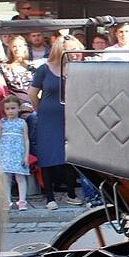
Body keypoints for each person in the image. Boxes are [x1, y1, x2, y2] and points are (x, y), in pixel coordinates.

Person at [28, 35, 85, 210]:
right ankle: (49, 197)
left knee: (68, 154)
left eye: (77, 49)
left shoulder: (77, 69)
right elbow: (32, 93)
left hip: (71, 116)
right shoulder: (44, 69)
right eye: (71, 49)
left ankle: (71, 193)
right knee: (47, 155)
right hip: (48, 116)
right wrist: (40, 110)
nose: (75, 53)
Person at [0, 95, 32, 211]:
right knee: (6, 178)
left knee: (20, 177)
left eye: (13, 108)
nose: (10, 111)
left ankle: (22, 201)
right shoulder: (2, 122)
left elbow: (26, 139)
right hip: (5, 152)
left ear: (18, 108)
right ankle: (7, 201)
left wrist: (26, 156)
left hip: (18, 153)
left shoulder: (22, 123)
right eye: (7, 109)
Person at [0, 35, 35, 113]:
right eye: (14, 46)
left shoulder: (33, 67)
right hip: (14, 106)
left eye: (20, 46)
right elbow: (4, 90)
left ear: (25, 47)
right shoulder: (4, 67)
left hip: (34, 104)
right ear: (10, 49)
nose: (17, 49)